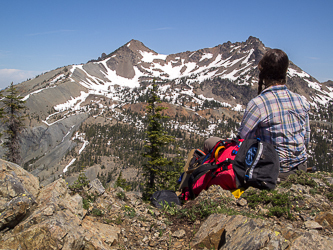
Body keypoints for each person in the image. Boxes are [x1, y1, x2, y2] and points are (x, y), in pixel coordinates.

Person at [237, 49, 310, 181]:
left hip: (273, 170)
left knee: (210, 143)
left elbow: (241, 141)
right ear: (285, 71)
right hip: (301, 167)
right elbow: (306, 139)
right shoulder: (301, 100)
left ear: (263, 73)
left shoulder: (258, 104)